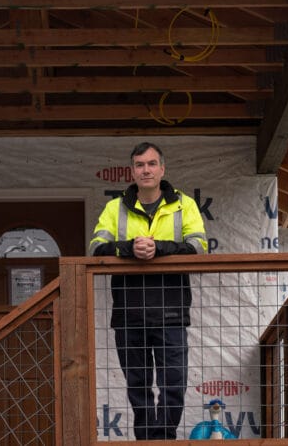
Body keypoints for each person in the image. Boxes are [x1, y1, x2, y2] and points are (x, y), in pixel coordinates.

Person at [89, 142, 208, 440]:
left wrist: (159, 249)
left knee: (174, 384)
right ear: (132, 171)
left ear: (162, 169)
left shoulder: (185, 205)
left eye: (152, 164)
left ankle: (164, 438)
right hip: (129, 312)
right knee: (138, 385)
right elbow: (95, 249)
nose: (146, 170)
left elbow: (198, 248)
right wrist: (129, 248)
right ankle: (146, 440)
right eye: (140, 165)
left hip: (171, 311)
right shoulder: (114, 208)